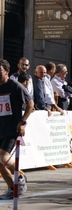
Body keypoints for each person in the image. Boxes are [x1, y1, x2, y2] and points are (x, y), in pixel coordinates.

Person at [0, 59, 34, 199]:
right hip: (0, 127)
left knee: (3, 157)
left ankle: (20, 175)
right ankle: (11, 188)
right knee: (0, 161)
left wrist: (22, 122)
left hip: (11, 128)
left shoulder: (15, 86)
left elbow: (30, 104)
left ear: (7, 71)